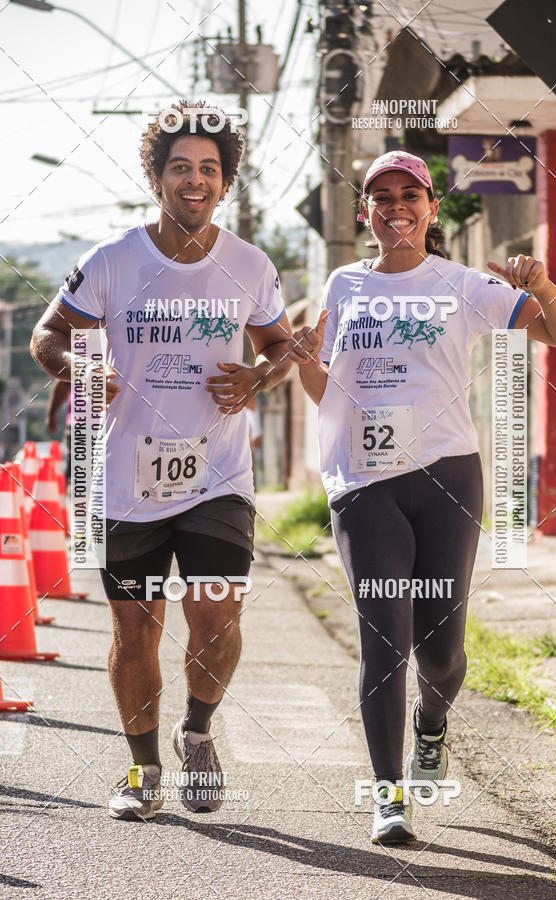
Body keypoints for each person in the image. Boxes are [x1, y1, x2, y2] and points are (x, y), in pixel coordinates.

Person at [288, 150, 556, 844]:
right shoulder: (343, 285)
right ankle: (388, 796)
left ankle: (433, 721)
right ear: (365, 211)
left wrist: (542, 285)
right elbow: (329, 392)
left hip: (447, 477)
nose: (395, 207)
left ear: (431, 208)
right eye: (380, 196)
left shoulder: (462, 284)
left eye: (408, 195)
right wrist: (305, 362)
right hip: (364, 482)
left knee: (441, 648)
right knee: (382, 640)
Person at [31, 101, 292, 821]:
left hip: (219, 475)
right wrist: (79, 372)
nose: (195, 179)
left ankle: (198, 732)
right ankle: (143, 771)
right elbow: (47, 337)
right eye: (181, 167)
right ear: (156, 177)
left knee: (215, 617)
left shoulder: (249, 263)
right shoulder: (113, 260)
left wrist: (256, 377)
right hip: (127, 480)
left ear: (225, 182)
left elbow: (281, 345)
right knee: (134, 630)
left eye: (209, 168)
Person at [46, 380, 71, 482]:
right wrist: (51, 414)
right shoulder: (79, 364)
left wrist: (52, 414)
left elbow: (63, 384)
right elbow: (64, 382)